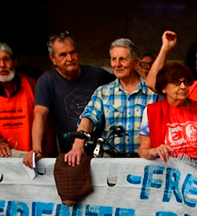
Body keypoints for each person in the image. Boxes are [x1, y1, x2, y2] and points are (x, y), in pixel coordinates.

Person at [23, 32, 114, 168]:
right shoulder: (47, 81)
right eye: (63, 55)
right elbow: (40, 115)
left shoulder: (97, 75)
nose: (70, 58)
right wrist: (36, 150)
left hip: (104, 154)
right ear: (53, 59)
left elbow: (123, 85)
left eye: (72, 53)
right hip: (70, 155)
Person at [65, 38, 159, 166]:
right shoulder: (103, 92)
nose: (117, 64)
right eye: (114, 59)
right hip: (111, 163)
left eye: (122, 59)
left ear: (136, 63)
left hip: (144, 163)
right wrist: (77, 145)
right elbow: (88, 118)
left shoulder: (152, 93)